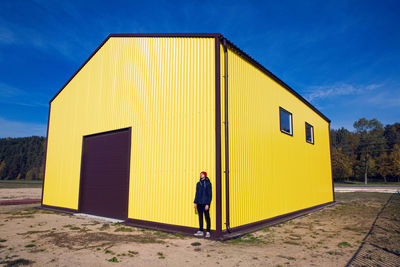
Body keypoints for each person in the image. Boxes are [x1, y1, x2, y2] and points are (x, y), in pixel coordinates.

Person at [193, 171, 212, 238]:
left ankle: (208, 231)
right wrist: (195, 202)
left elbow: (210, 194)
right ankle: (201, 230)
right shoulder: (198, 184)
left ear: (205, 175)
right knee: (200, 217)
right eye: (200, 174)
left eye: (202, 174)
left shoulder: (208, 183)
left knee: (207, 217)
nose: (201, 175)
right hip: (199, 203)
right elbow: (197, 193)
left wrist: (208, 204)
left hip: (205, 203)